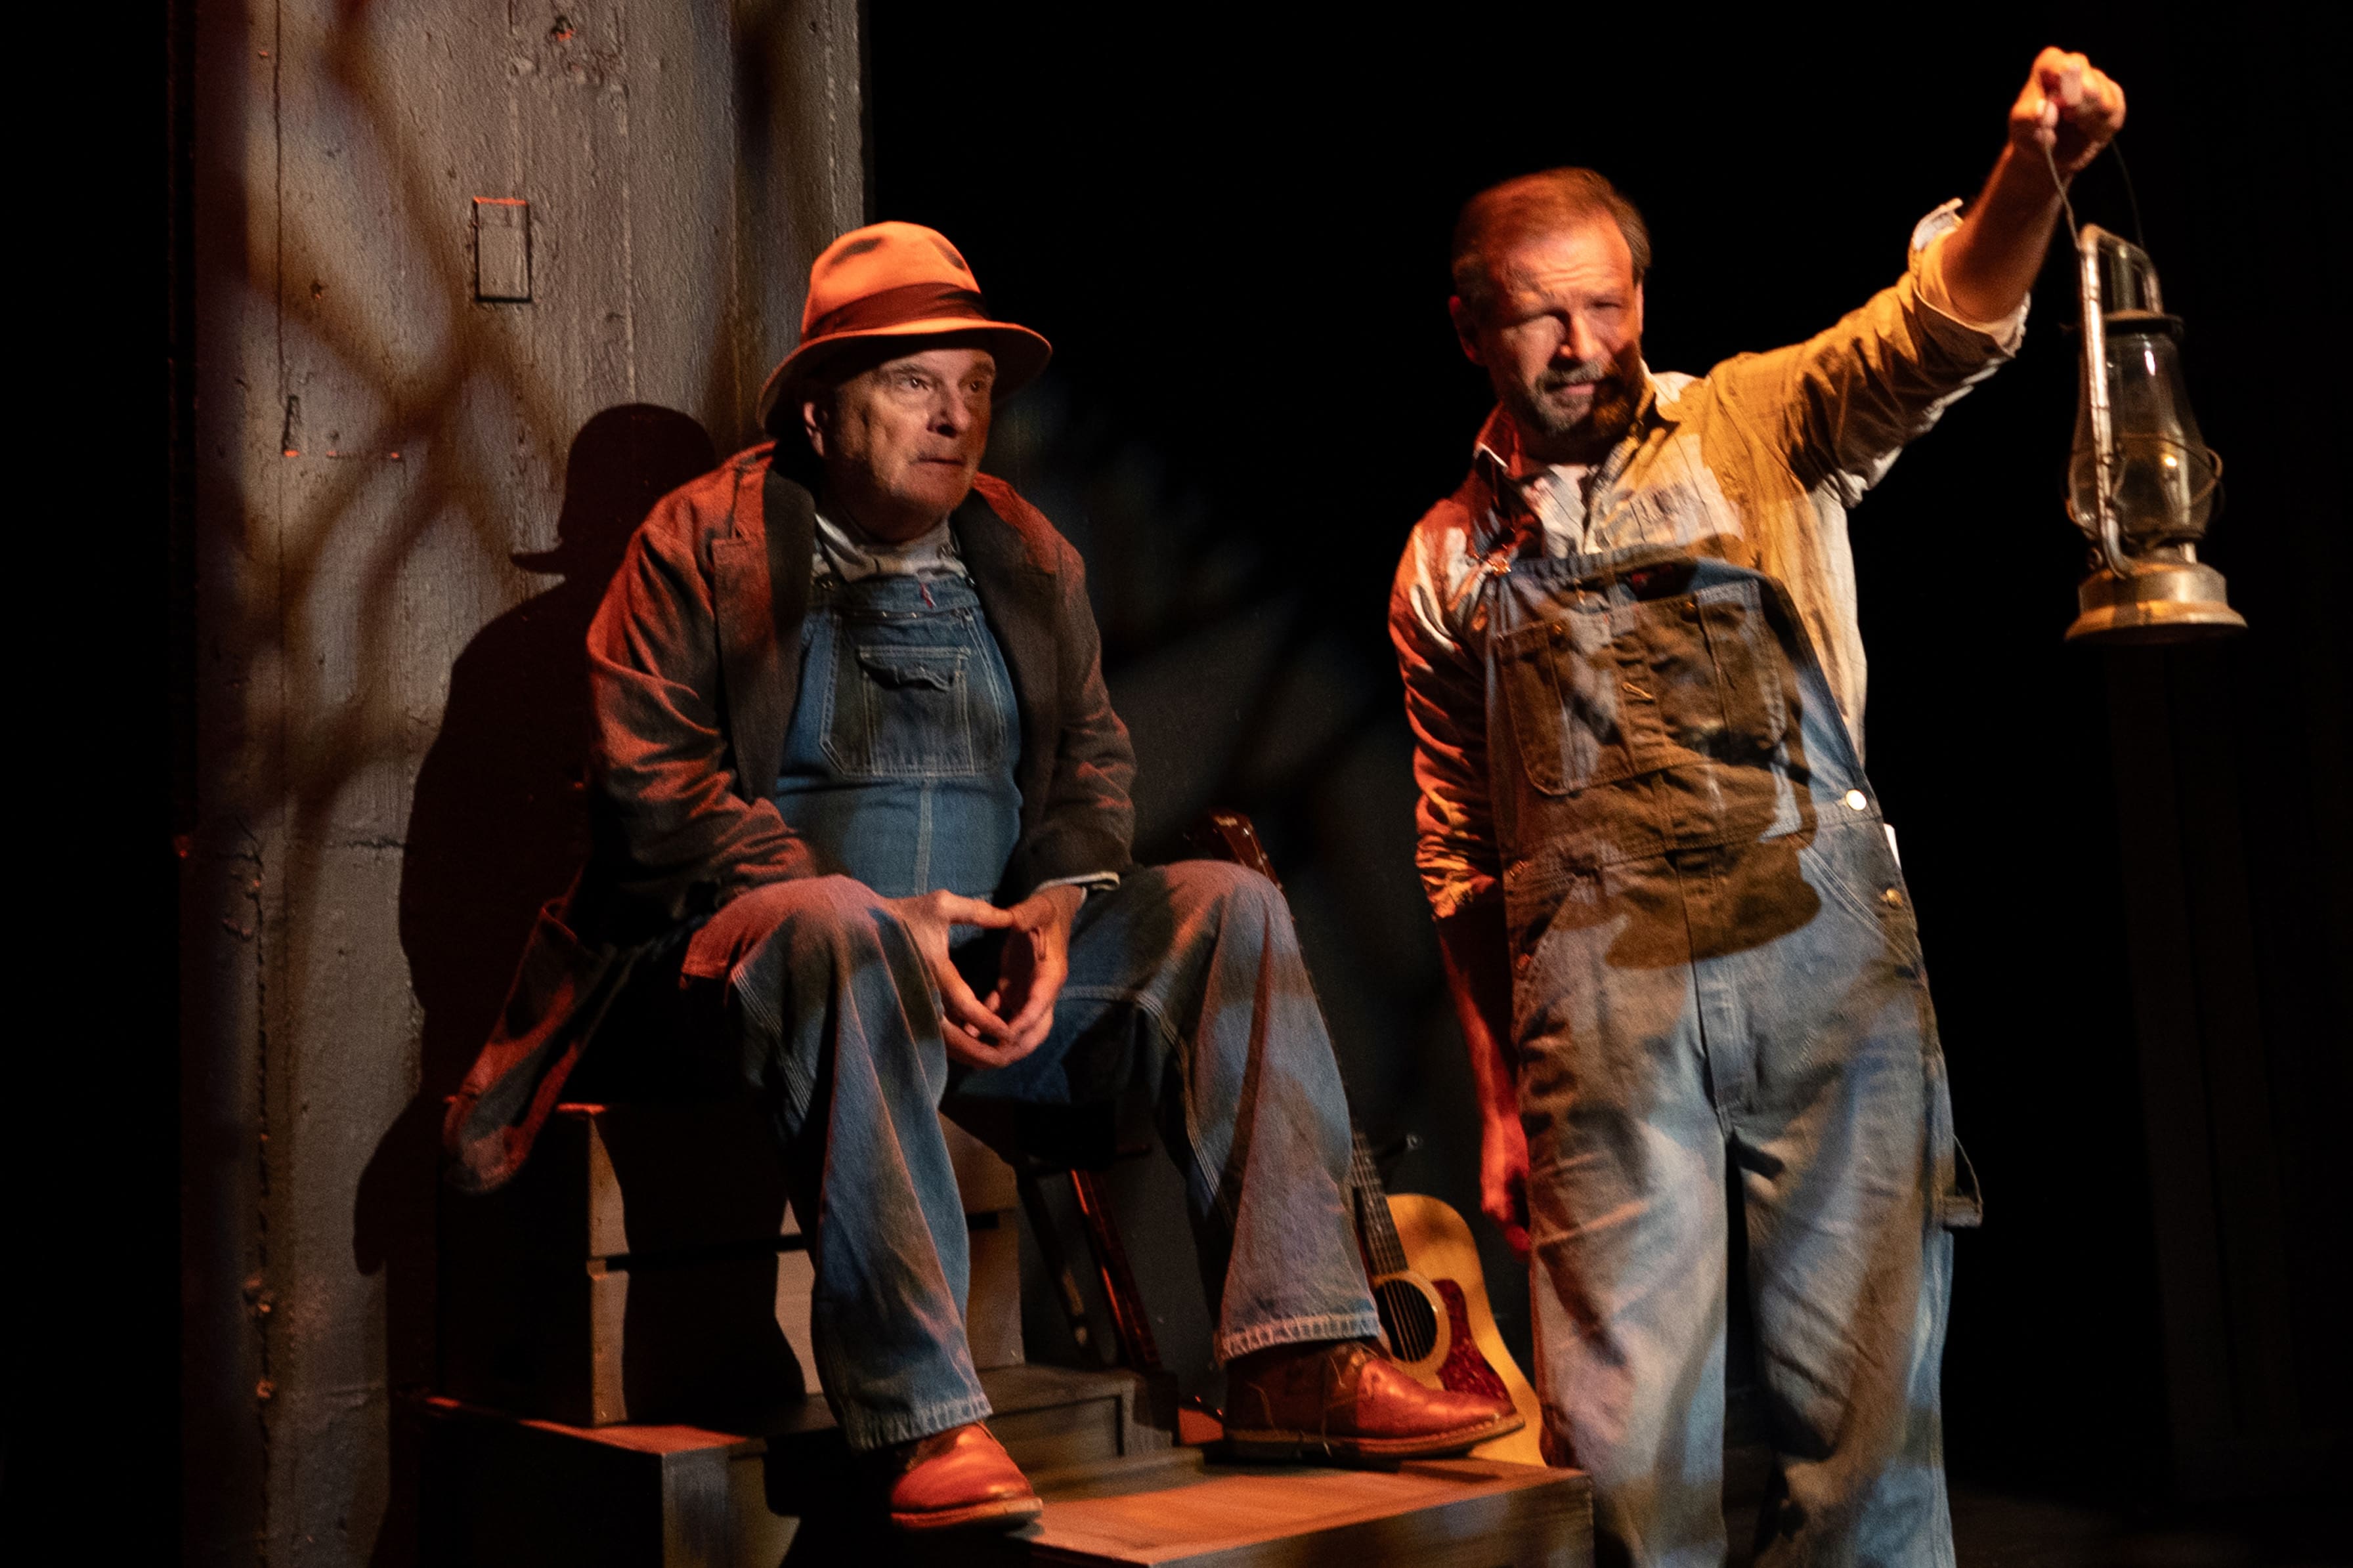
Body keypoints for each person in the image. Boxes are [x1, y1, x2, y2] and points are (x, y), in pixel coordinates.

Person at [447, 220, 1519, 1535]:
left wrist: (1060, 915)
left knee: (1225, 905)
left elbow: (1091, 776)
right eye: (914, 384)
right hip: (746, 986)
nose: (956, 417)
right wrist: (885, 923)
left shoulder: (1023, 551)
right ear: (819, 410)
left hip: (977, 990)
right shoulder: (695, 544)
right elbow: (644, 795)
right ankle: (923, 1413)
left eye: (976, 388)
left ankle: (1295, 1354)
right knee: (834, 926)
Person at [1389, 48, 2125, 1567]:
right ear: (1469, 328)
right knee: (1621, 1471)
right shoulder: (1446, 564)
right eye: (1541, 313)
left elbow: (1942, 328)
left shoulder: (1761, 423)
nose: (1584, 343)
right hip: (1596, 1017)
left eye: (1609, 304)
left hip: (1822, 976)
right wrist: (1498, 1098)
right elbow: (1460, 852)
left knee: (1866, 1445)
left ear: (1644, 304)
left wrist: (2034, 169)